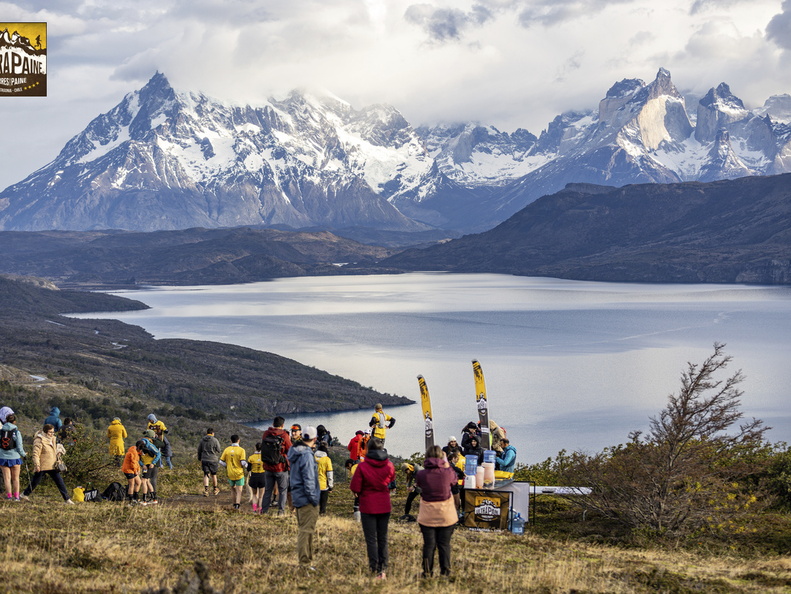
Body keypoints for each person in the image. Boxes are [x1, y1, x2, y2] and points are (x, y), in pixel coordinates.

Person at [349, 439, 395, 580]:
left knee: (371, 539)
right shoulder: (389, 465)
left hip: (368, 506)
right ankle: (383, 569)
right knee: (383, 538)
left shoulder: (362, 467)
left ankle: (374, 568)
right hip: (384, 504)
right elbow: (391, 479)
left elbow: (355, 487)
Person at [415, 445, 458, 578]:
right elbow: (454, 481)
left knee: (429, 545)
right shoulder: (448, 472)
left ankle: (427, 572)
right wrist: (445, 464)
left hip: (427, 514)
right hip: (446, 514)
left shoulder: (421, 474)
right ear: (442, 457)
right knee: (444, 544)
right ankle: (445, 572)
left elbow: (419, 485)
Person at [287, 425, 320, 572]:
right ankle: (305, 564)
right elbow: (309, 479)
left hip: (298, 496)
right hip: (306, 498)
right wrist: (314, 499)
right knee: (306, 531)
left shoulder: (295, 452)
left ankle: (306, 561)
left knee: (305, 529)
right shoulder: (306, 455)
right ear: (315, 439)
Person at [22, 424, 74, 504]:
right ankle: (25, 494)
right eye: (50, 432)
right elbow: (35, 454)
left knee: (59, 482)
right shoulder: (39, 440)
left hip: (52, 465)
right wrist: (37, 465)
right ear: (45, 432)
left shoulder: (53, 439)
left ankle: (67, 499)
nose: (52, 434)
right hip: (42, 465)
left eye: (53, 432)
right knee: (35, 481)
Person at [260, 416, 292, 516]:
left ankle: (264, 511)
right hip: (280, 468)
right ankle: (281, 512)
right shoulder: (284, 435)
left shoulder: (266, 434)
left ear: (273, 424)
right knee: (282, 490)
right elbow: (290, 449)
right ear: (282, 425)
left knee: (267, 490)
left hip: (268, 467)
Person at [0, 413, 26, 501]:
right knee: (15, 479)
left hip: (3, 458)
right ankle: (17, 497)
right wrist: (24, 455)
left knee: (7, 479)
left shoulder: (1, 431)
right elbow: (19, 446)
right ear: (14, 421)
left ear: (6, 421)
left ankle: (9, 496)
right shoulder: (16, 432)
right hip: (15, 457)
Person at [219, 435, 247, 510]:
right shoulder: (241, 450)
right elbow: (243, 462)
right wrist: (248, 466)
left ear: (231, 441)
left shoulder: (227, 450)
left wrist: (227, 465)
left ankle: (234, 504)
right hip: (239, 473)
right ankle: (237, 505)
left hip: (230, 472)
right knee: (239, 491)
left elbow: (221, 461)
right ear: (239, 440)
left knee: (232, 489)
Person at [197, 428, 222, 496]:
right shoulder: (215, 440)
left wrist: (200, 458)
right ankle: (215, 489)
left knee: (206, 474)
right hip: (213, 459)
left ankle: (206, 490)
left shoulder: (202, 440)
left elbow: (199, 450)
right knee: (214, 474)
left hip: (204, 459)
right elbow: (219, 450)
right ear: (212, 433)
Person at [139, 430, 161, 504]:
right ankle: (154, 499)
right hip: (148, 465)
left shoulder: (143, 444)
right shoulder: (150, 444)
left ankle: (144, 500)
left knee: (144, 481)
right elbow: (158, 453)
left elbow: (138, 457)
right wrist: (153, 463)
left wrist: (145, 464)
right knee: (147, 481)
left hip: (147, 465)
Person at [315, 442, 334, 515]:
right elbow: (330, 473)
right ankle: (322, 514)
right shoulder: (327, 459)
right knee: (323, 503)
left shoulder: (313, 457)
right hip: (323, 484)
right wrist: (330, 486)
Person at [247, 442, 266, 513]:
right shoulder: (264, 457)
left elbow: (248, 468)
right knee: (261, 496)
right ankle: (260, 509)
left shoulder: (251, 457)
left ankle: (254, 509)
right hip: (262, 476)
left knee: (254, 495)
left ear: (255, 448)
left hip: (254, 476)